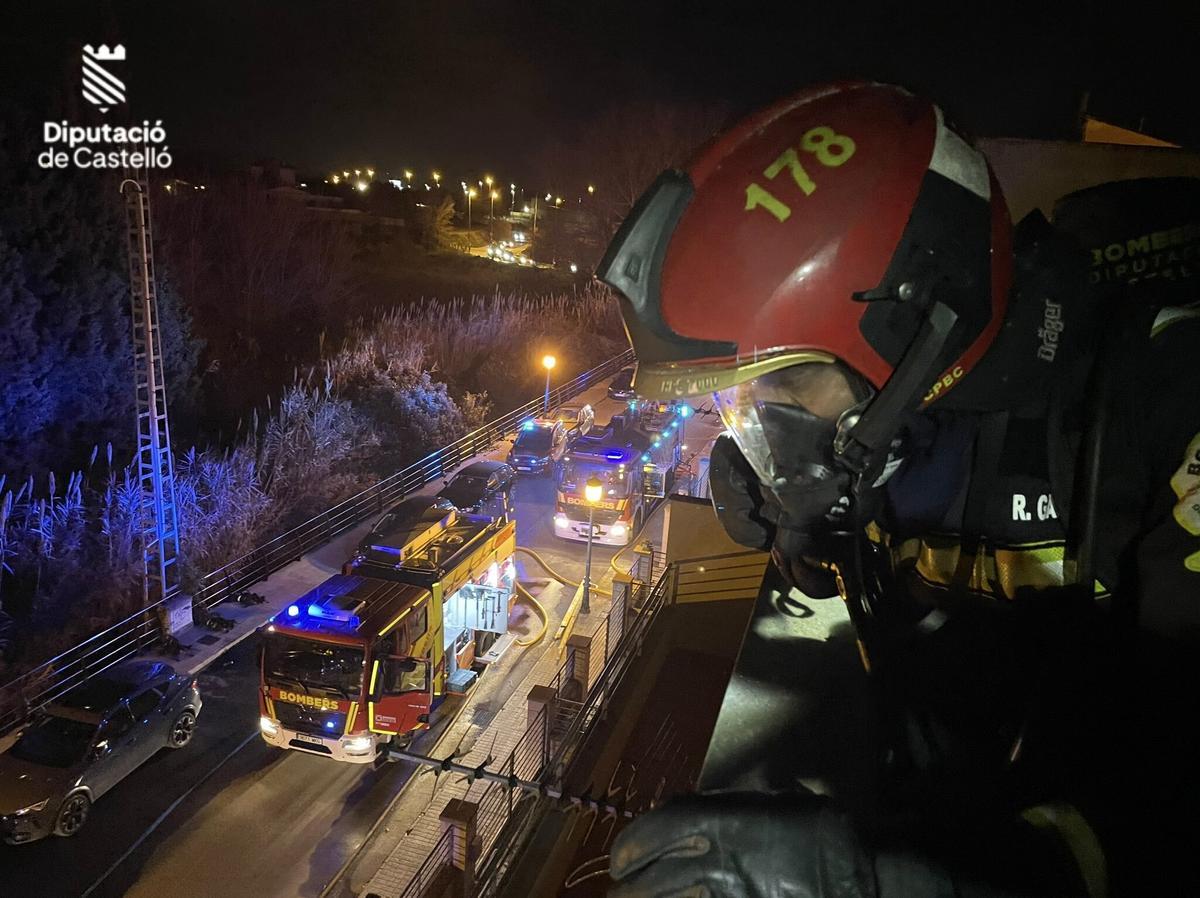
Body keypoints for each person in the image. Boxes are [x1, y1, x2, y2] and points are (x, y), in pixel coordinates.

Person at [595, 81, 1199, 897]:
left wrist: (935, 883)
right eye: (738, 404)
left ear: (913, 323)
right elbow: (898, 564)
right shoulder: (905, 412)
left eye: (784, 387)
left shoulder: (1167, 403)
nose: (762, 428)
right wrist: (802, 529)